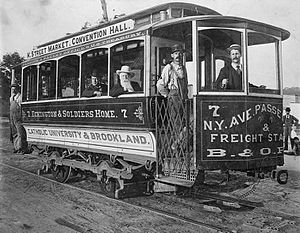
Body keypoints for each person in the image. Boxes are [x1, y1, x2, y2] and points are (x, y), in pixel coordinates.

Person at [156, 44, 189, 151]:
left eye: (180, 53)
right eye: (176, 53)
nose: (178, 55)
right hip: (174, 98)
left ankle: (178, 145)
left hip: (183, 98)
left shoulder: (183, 68)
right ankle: (176, 149)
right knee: (177, 124)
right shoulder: (168, 68)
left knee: (186, 123)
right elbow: (160, 84)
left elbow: (186, 84)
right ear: (172, 55)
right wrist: (168, 95)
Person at [9, 83, 28, 154]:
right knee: (14, 132)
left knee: (20, 132)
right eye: (12, 89)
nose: (13, 90)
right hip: (12, 116)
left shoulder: (20, 97)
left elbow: (22, 107)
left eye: (14, 89)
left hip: (18, 116)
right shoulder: (11, 97)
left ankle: (21, 148)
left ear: (17, 89)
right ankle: (16, 147)